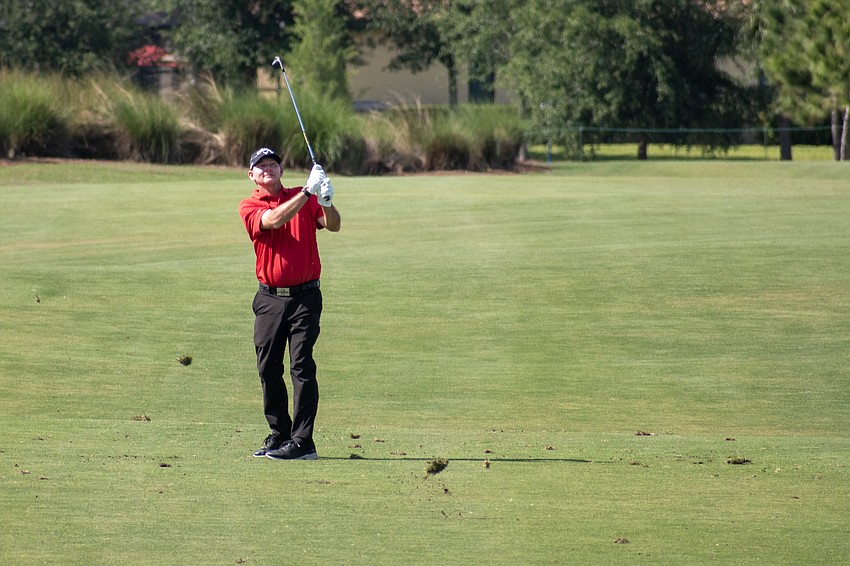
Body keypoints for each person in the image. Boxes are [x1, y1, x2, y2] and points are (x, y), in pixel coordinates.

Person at [238, 147, 341, 460]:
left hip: (305, 297)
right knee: (268, 367)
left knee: (301, 365)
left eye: (273, 164)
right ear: (252, 176)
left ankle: (303, 441)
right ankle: (280, 433)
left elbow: (334, 224)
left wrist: (325, 201)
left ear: (281, 171)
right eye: (261, 166)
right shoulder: (250, 205)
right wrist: (308, 192)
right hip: (269, 298)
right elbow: (274, 219)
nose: (268, 169)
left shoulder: (305, 197)